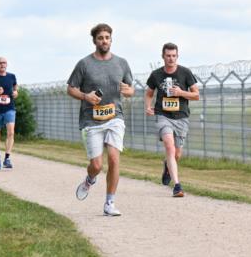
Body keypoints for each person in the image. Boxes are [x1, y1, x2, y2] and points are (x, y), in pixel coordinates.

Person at [67, 23, 134, 216]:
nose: (104, 41)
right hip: (91, 120)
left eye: (107, 37)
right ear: (94, 41)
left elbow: (130, 88)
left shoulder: (121, 63)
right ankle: (90, 179)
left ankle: (109, 203)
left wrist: (128, 91)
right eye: (100, 38)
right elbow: (71, 88)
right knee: (97, 166)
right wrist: (86, 96)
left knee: (114, 158)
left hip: (115, 117)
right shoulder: (84, 64)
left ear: (111, 40)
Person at [145, 43, 200, 198]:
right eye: (168, 56)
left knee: (176, 154)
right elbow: (149, 93)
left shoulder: (185, 73)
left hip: (181, 117)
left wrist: (181, 92)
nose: (171, 58)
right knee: (169, 146)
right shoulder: (156, 75)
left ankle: (167, 166)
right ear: (163, 56)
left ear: (177, 56)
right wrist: (148, 106)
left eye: (173, 56)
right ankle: (177, 186)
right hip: (163, 116)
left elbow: (196, 95)